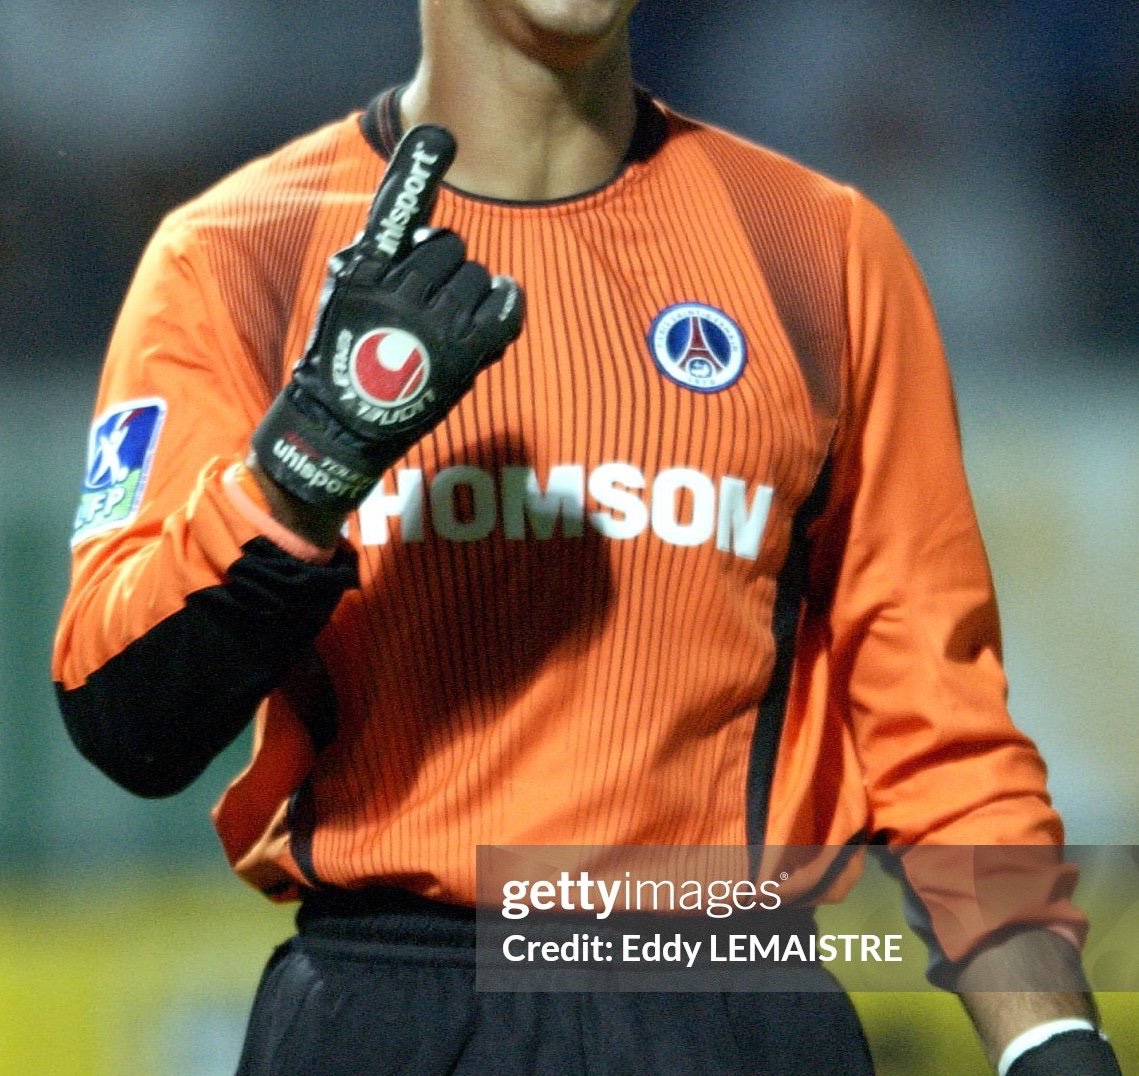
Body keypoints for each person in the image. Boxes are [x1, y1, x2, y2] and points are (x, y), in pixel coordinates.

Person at [52, 2, 1121, 1073]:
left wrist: (1051, 1035)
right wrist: (305, 467)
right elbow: (126, 719)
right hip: (389, 1010)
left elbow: (942, 740)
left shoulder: (819, 252)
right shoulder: (239, 253)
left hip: (732, 1004)